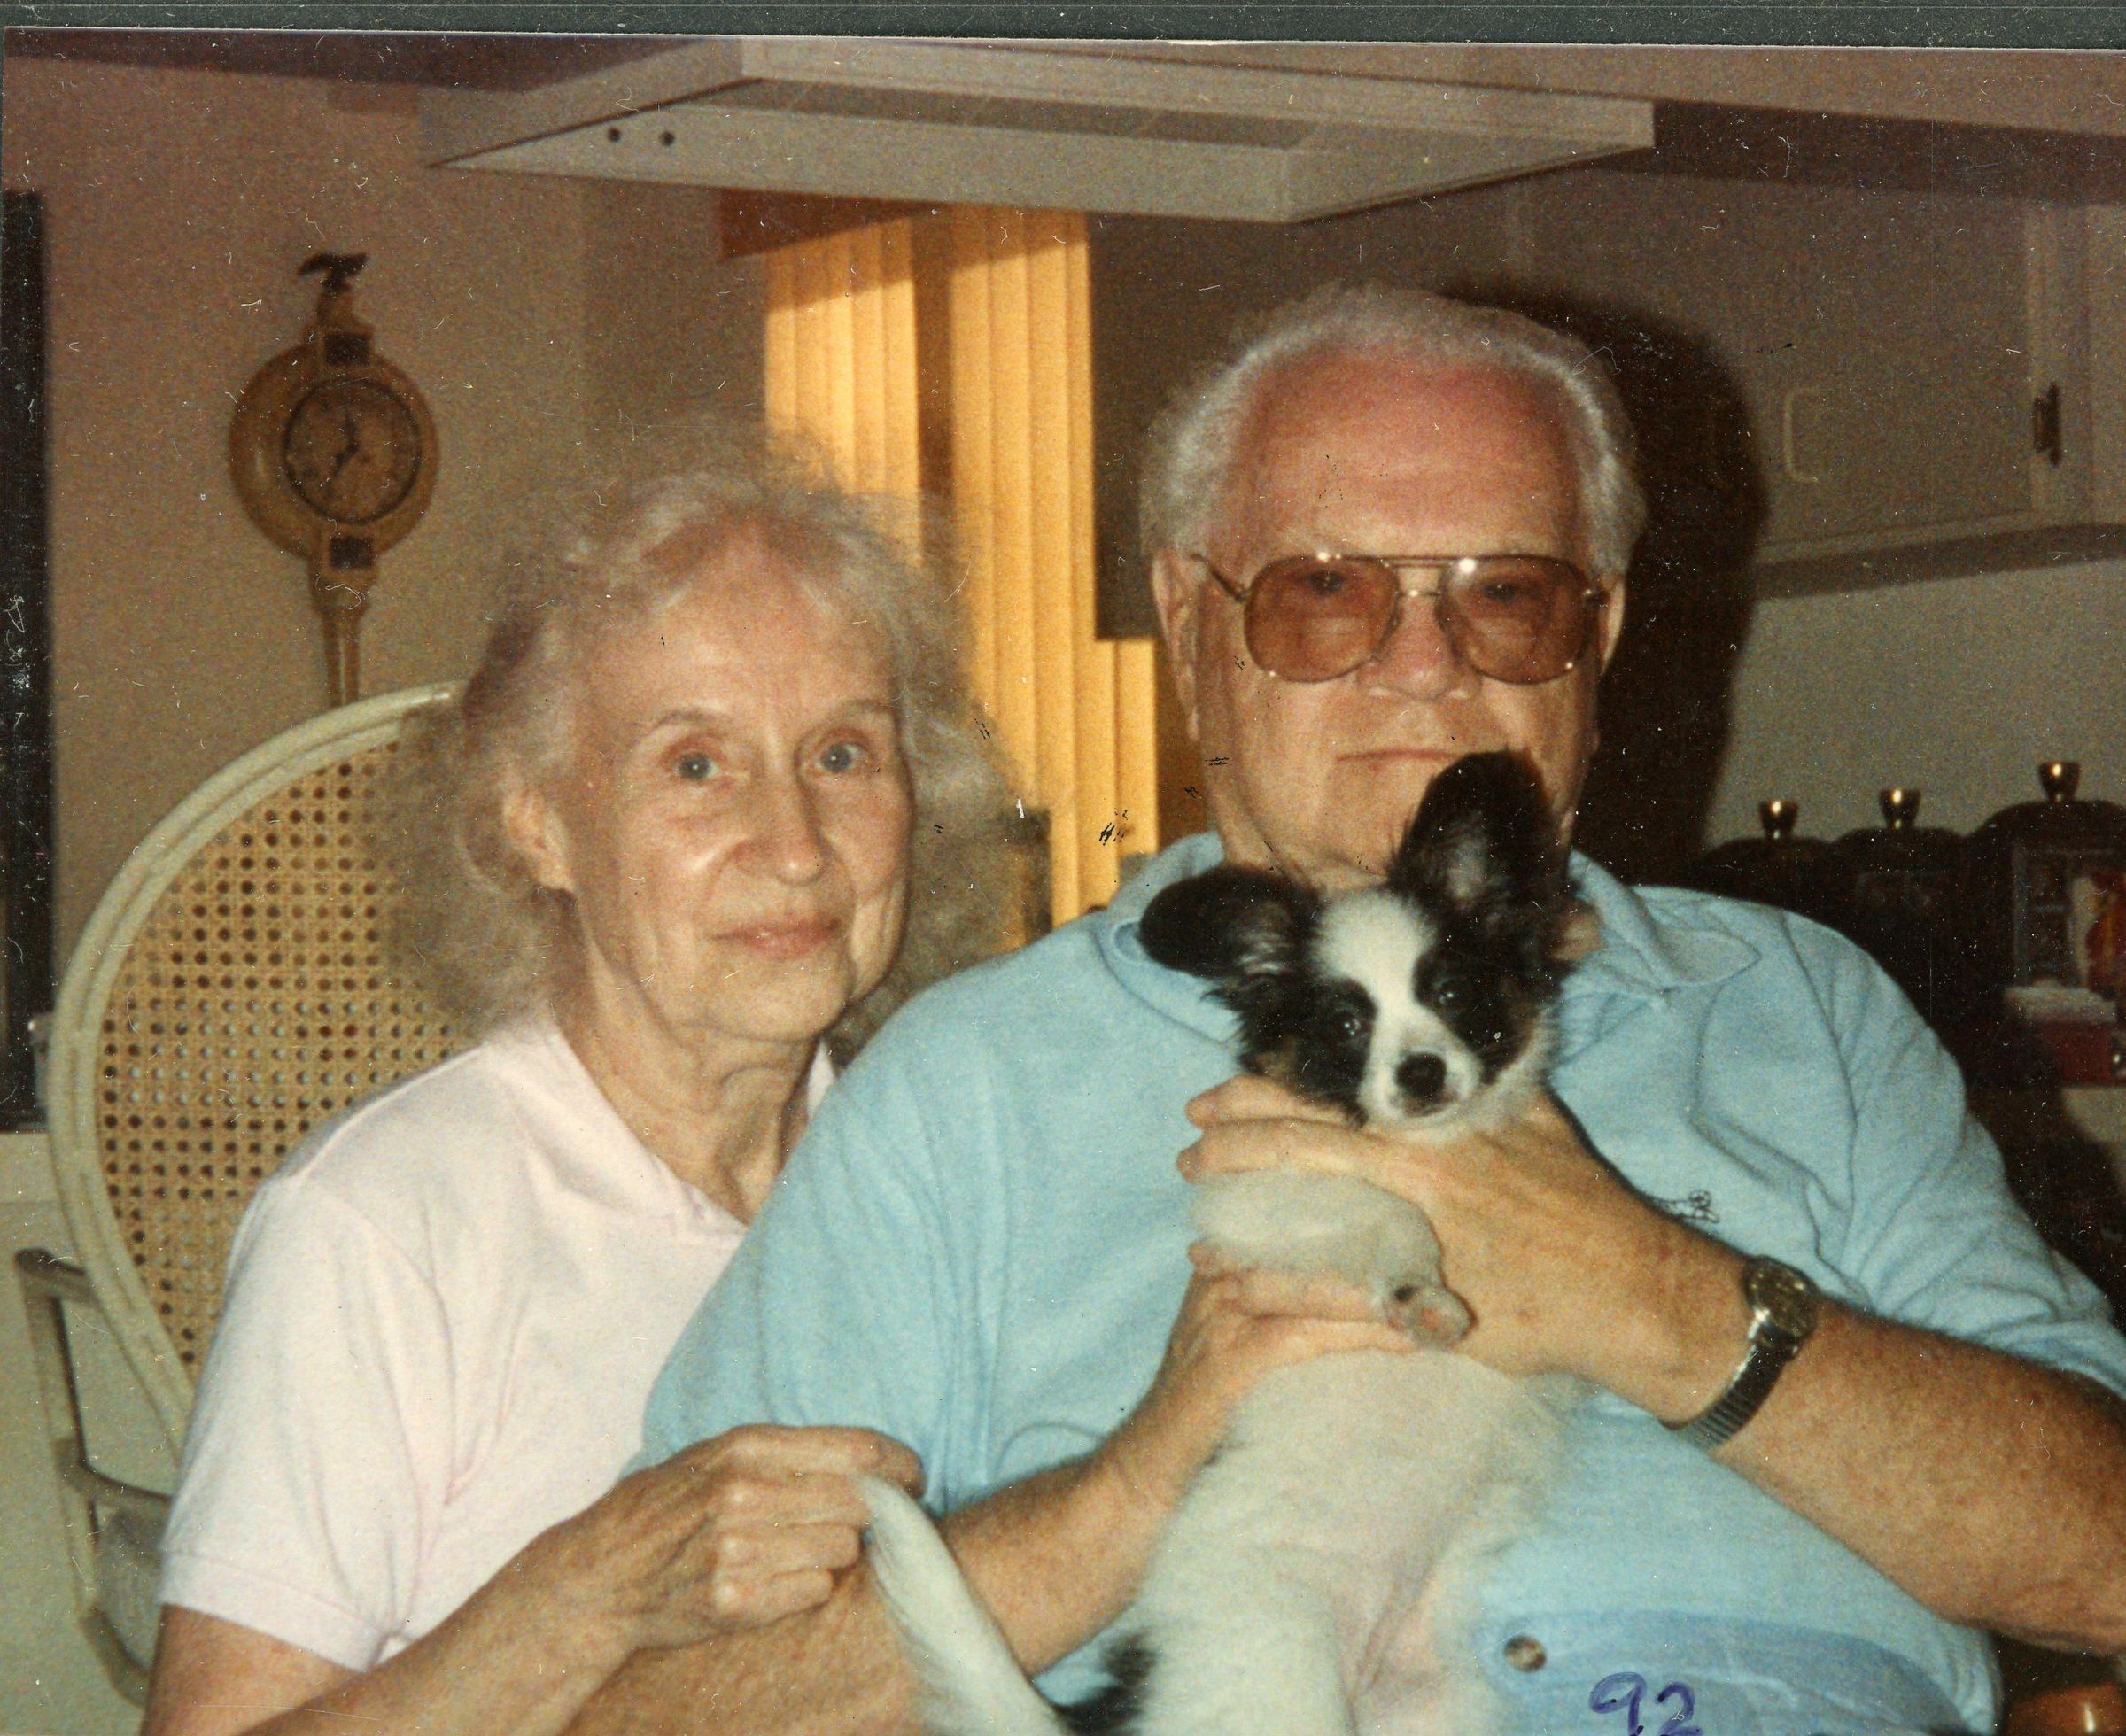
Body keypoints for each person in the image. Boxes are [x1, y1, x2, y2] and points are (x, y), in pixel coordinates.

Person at [578, 289, 2126, 1736]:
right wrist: (1135, 1484)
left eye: (1506, 595)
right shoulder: (969, 1085)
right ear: (1187, 622)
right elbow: (652, 1710)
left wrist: (1650, 1295)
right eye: (1327, 592)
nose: (1422, 666)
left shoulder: (1803, 1010)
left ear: (1597, 636)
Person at [140, 430, 1013, 1736]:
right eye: (696, 766)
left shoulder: (950, 1175)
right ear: (537, 822)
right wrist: (576, 1603)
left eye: (843, 755)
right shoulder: (382, 1226)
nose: (794, 846)